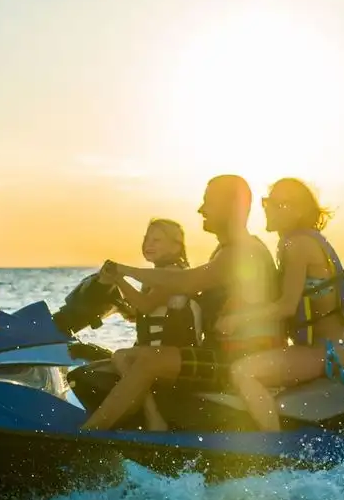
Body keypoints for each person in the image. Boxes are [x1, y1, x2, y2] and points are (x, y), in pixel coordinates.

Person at [79, 175, 280, 430]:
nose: (201, 209)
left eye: (208, 202)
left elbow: (187, 282)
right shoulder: (225, 251)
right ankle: (151, 423)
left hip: (240, 358)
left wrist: (124, 271)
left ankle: (89, 433)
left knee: (149, 361)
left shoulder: (243, 251)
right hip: (219, 352)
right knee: (124, 358)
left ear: (232, 205)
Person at [218, 178, 344, 431]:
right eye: (267, 202)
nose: (268, 209)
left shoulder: (298, 245)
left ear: (299, 211)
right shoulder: (302, 241)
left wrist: (237, 320)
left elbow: (286, 306)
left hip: (323, 352)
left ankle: (274, 443)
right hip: (325, 349)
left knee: (243, 372)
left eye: (278, 204)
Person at [100, 218, 202, 430]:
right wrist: (117, 304)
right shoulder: (156, 277)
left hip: (176, 354)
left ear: (176, 247)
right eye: (146, 239)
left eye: (157, 240)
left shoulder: (174, 273)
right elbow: (146, 312)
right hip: (156, 352)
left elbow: (146, 305)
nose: (149, 244)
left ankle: (153, 416)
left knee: (121, 357)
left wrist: (119, 279)